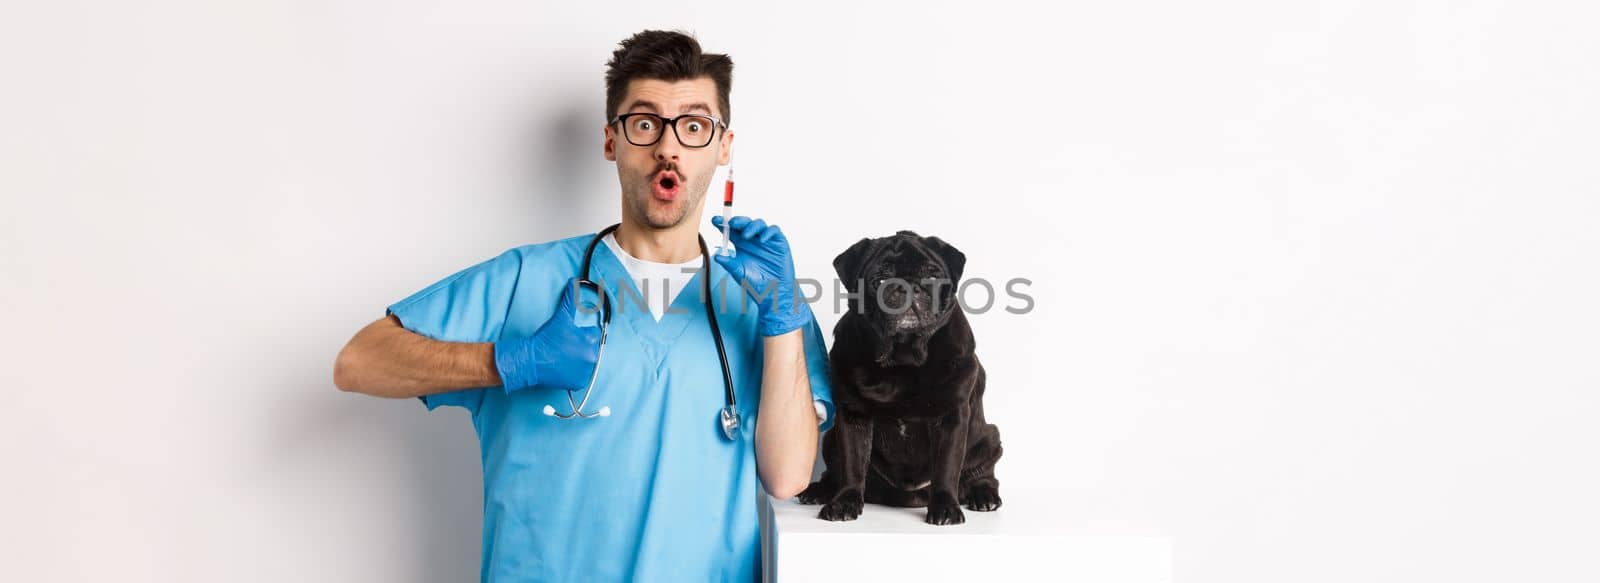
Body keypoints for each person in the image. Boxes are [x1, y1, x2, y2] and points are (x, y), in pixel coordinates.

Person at [332, 29, 833, 582]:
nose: (668, 147)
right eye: (645, 124)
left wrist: (784, 319)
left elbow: (788, 477)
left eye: (694, 126)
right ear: (611, 141)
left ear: (723, 147)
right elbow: (359, 362)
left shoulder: (762, 297)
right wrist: (509, 363)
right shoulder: (527, 278)